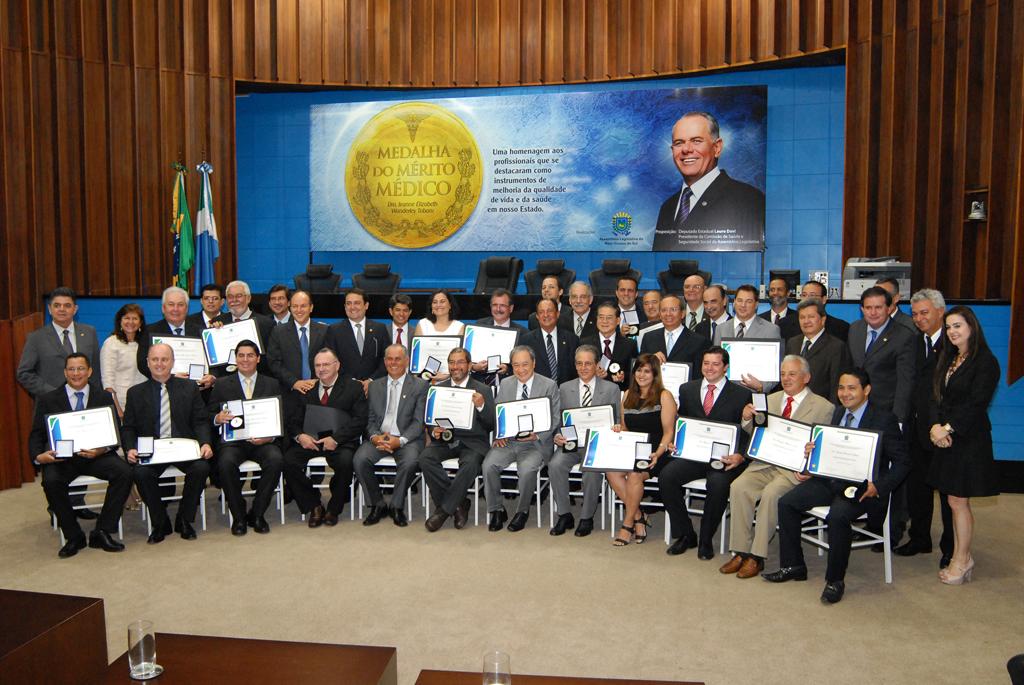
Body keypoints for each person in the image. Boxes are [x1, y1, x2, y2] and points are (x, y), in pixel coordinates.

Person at [764, 368, 910, 603]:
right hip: (830, 480)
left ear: (867, 390)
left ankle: (835, 580)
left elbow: (903, 462)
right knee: (787, 502)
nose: (845, 393)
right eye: (841, 388)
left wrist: (879, 487)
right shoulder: (838, 413)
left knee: (838, 516)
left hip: (863, 487)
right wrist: (812, 454)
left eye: (852, 388)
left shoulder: (884, 418)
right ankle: (793, 566)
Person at [722, 355, 834, 578]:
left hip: (793, 469)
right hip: (764, 463)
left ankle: (757, 556)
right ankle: (741, 550)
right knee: (738, 486)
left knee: (772, 494)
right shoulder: (770, 400)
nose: (786, 378)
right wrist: (746, 418)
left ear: (806, 377)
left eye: (792, 374)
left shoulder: (823, 407)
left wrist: (809, 468)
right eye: (783, 374)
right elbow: (753, 431)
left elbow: (824, 447)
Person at [28, 354, 131, 557]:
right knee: (51, 481)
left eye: (81, 369)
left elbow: (115, 431)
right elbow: (36, 434)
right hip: (63, 459)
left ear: (89, 371)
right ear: (65, 372)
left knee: (125, 473)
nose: (76, 374)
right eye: (72, 369)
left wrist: (102, 449)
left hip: (97, 456)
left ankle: (102, 530)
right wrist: (39, 457)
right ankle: (73, 535)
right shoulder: (49, 399)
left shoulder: (103, 396)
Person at [927, 305, 1001, 585]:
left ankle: (961, 559)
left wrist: (947, 428)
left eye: (957, 325)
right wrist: (935, 426)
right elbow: (936, 396)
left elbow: (976, 404)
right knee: (953, 500)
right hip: (945, 439)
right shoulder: (949, 358)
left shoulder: (985, 362)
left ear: (972, 327)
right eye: (948, 327)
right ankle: (962, 556)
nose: (952, 331)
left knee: (959, 500)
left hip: (969, 440)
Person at [658, 346, 752, 559]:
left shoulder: (742, 394)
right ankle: (686, 533)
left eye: (716, 364)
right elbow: (682, 420)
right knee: (667, 477)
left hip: (724, 457)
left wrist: (741, 456)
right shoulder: (687, 389)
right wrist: (675, 441)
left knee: (718, 484)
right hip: (694, 454)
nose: (710, 368)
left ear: (726, 367)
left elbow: (749, 432)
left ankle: (706, 538)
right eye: (706, 363)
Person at [123, 343, 214, 544]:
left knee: (201, 467)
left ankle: (184, 519)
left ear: (172, 362)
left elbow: (200, 420)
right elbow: (128, 427)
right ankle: (160, 522)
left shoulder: (189, 387)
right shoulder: (135, 393)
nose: (159, 364)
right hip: (153, 449)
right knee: (140, 472)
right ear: (147, 362)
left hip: (183, 448)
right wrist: (130, 448)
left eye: (164, 359)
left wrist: (205, 443)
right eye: (155, 359)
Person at [896, 289, 954, 564]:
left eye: (924, 313)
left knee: (948, 493)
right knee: (917, 487)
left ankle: (951, 548)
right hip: (916, 427)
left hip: (945, 430)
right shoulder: (914, 342)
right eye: (915, 313)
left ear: (940, 312)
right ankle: (920, 538)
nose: (919, 319)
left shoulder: (954, 342)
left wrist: (943, 425)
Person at [653, 111, 765, 251]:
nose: (686, 149)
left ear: (717, 148)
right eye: (679, 143)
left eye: (696, 141)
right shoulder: (667, 207)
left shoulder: (748, 199)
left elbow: (749, 262)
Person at [281, 348, 368, 527]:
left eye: (326, 364)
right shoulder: (307, 389)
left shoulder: (353, 387)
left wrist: (336, 439)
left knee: (345, 462)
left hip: (340, 441)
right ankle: (314, 505)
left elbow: (360, 420)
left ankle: (333, 509)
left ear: (337, 366)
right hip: (310, 441)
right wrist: (300, 436)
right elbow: (293, 420)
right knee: (288, 461)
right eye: (317, 365)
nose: (321, 369)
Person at [207, 340, 286, 536]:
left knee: (276, 460)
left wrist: (269, 437)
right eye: (241, 355)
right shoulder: (222, 384)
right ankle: (239, 515)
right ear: (235, 359)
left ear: (258, 359)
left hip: (263, 442)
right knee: (225, 463)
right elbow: (207, 413)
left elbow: (280, 416)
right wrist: (217, 418)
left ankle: (257, 513)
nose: (245, 359)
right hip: (234, 443)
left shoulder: (272, 383)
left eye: (250, 355)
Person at [482, 345, 560, 532]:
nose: (520, 369)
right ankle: (496, 509)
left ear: (533, 363)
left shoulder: (549, 385)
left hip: (536, 443)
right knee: (488, 465)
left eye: (525, 364)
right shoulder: (507, 383)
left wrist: (538, 435)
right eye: (516, 365)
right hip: (509, 441)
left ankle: (522, 511)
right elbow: (499, 412)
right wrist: (500, 434)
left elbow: (556, 417)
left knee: (526, 469)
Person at [548, 345, 622, 537]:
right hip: (572, 444)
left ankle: (587, 517)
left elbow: (617, 420)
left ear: (597, 365)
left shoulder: (611, 389)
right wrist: (557, 435)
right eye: (579, 363)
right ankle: (564, 514)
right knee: (555, 464)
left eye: (588, 363)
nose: (583, 367)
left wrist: (616, 428)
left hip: (598, 445)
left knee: (591, 470)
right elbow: (558, 418)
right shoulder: (564, 388)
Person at [352, 344, 429, 527]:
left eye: (398, 358)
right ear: (385, 361)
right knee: (359, 460)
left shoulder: (420, 386)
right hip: (380, 438)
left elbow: (419, 422)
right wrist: (374, 437)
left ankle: (396, 506)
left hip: (407, 439)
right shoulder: (375, 386)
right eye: (389, 359)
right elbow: (369, 419)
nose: (393, 363)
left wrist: (400, 440)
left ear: (407, 361)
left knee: (410, 462)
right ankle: (377, 504)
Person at [421, 347, 496, 532]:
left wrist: (481, 407)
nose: (456, 367)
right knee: (424, 458)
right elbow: (429, 421)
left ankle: (443, 511)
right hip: (445, 441)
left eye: (460, 362)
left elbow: (492, 424)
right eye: (452, 362)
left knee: (470, 464)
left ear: (470, 365)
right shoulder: (438, 389)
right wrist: (434, 430)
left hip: (473, 443)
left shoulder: (483, 390)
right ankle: (459, 504)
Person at [608, 354, 677, 546]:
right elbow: (626, 428)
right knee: (611, 472)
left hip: (658, 452)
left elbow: (669, 432)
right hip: (634, 449)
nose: (642, 374)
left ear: (655, 374)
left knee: (635, 474)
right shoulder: (628, 395)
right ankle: (639, 515)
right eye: (639, 370)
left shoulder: (665, 396)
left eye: (647, 371)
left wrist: (659, 452)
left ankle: (628, 523)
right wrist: (618, 429)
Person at [847, 286, 916, 424]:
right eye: (868, 308)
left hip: (887, 413)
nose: (873, 312)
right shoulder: (855, 329)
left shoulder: (904, 336)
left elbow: (905, 383)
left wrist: (898, 419)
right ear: (862, 309)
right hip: (856, 410)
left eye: (878, 307)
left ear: (889, 308)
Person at [18, 286, 102, 398]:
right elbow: (24, 373)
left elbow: (95, 370)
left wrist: (93, 396)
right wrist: (52, 393)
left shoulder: (89, 332)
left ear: (75, 309)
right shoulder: (36, 337)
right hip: (51, 403)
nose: (62, 309)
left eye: (67, 305)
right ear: (49, 309)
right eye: (57, 305)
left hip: (85, 402)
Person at [135, 286, 214, 391]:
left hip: (198, 393)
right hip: (163, 392)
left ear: (186, 308)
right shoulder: (150, 331)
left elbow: (213, 361)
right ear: (163, 308)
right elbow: (142, 364)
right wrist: (168, 377)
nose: (175, 309)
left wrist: (212, 377)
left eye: (180, 305)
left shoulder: (201, 331)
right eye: (171, 304)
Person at [784, 297, 850, 402]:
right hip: (792, 406)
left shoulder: (836, 347)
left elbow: (836, 386)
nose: (806, 321)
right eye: (802, 317)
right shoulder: (792, 342)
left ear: (823, 319)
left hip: (820, 409)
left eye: (811, 317)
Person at [325, 288, 389, 392]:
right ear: (345, 306)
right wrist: (352, 381)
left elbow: (387, 359)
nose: (352, 307)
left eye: (357, 303)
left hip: (375, 388)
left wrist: (371, 380)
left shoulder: (380, 329)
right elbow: (331, 361)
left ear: (366, 305)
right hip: (345, 389)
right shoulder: (334, 330)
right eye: (348, 303)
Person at [266, 290, 328, 398]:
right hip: (289, 392)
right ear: (290, 307)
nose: (299, 310)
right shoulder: (278, 332)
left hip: (319, 392)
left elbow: (331, 360)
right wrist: (294, 382)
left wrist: (319, 380)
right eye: (295, 306)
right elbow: (274, 363)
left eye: (303, 306)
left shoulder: (324, 331)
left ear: (311, 307)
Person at [100, 303, 147, 414]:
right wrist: (117, 410)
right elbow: (108, 381)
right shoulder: (111, 343)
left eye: (135, 318)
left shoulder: (145, 343)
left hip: (144, 402)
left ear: (140, 323)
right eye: (126, 318)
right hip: (121, 402)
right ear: (120, 321)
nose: (130, 322)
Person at [639, 294, 709, 370]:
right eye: (664, 310)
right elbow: (639, 367)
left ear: (682, 313)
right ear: (660, 314)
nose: (668, 314)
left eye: (673, 310)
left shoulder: (699, 341)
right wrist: (650, 359)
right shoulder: (648, 338)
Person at [520, 298, 578, 384]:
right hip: (538, 392)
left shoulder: (572, 339)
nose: (546, 315)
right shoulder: (526, 341)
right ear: (537, 316)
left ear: (557, 314)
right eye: (541, 312)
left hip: (565, 392)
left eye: (550, 311)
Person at [582, 302, 636, 391]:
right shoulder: (584, 343)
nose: (604, 321)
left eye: (609, 318)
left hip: (619, 393)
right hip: (591, 394)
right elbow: (576, 372)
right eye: (601, 317)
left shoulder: (629, 345)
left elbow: (634, 373)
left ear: (618, 321)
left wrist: (623, 377)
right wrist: (592, 374)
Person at [217, 280, 275, 354]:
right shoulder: (218, 322)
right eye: (230, 296)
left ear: (248, 298)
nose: (234, 300)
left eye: (239, 296)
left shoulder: (267, 324)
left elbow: (271, 356)